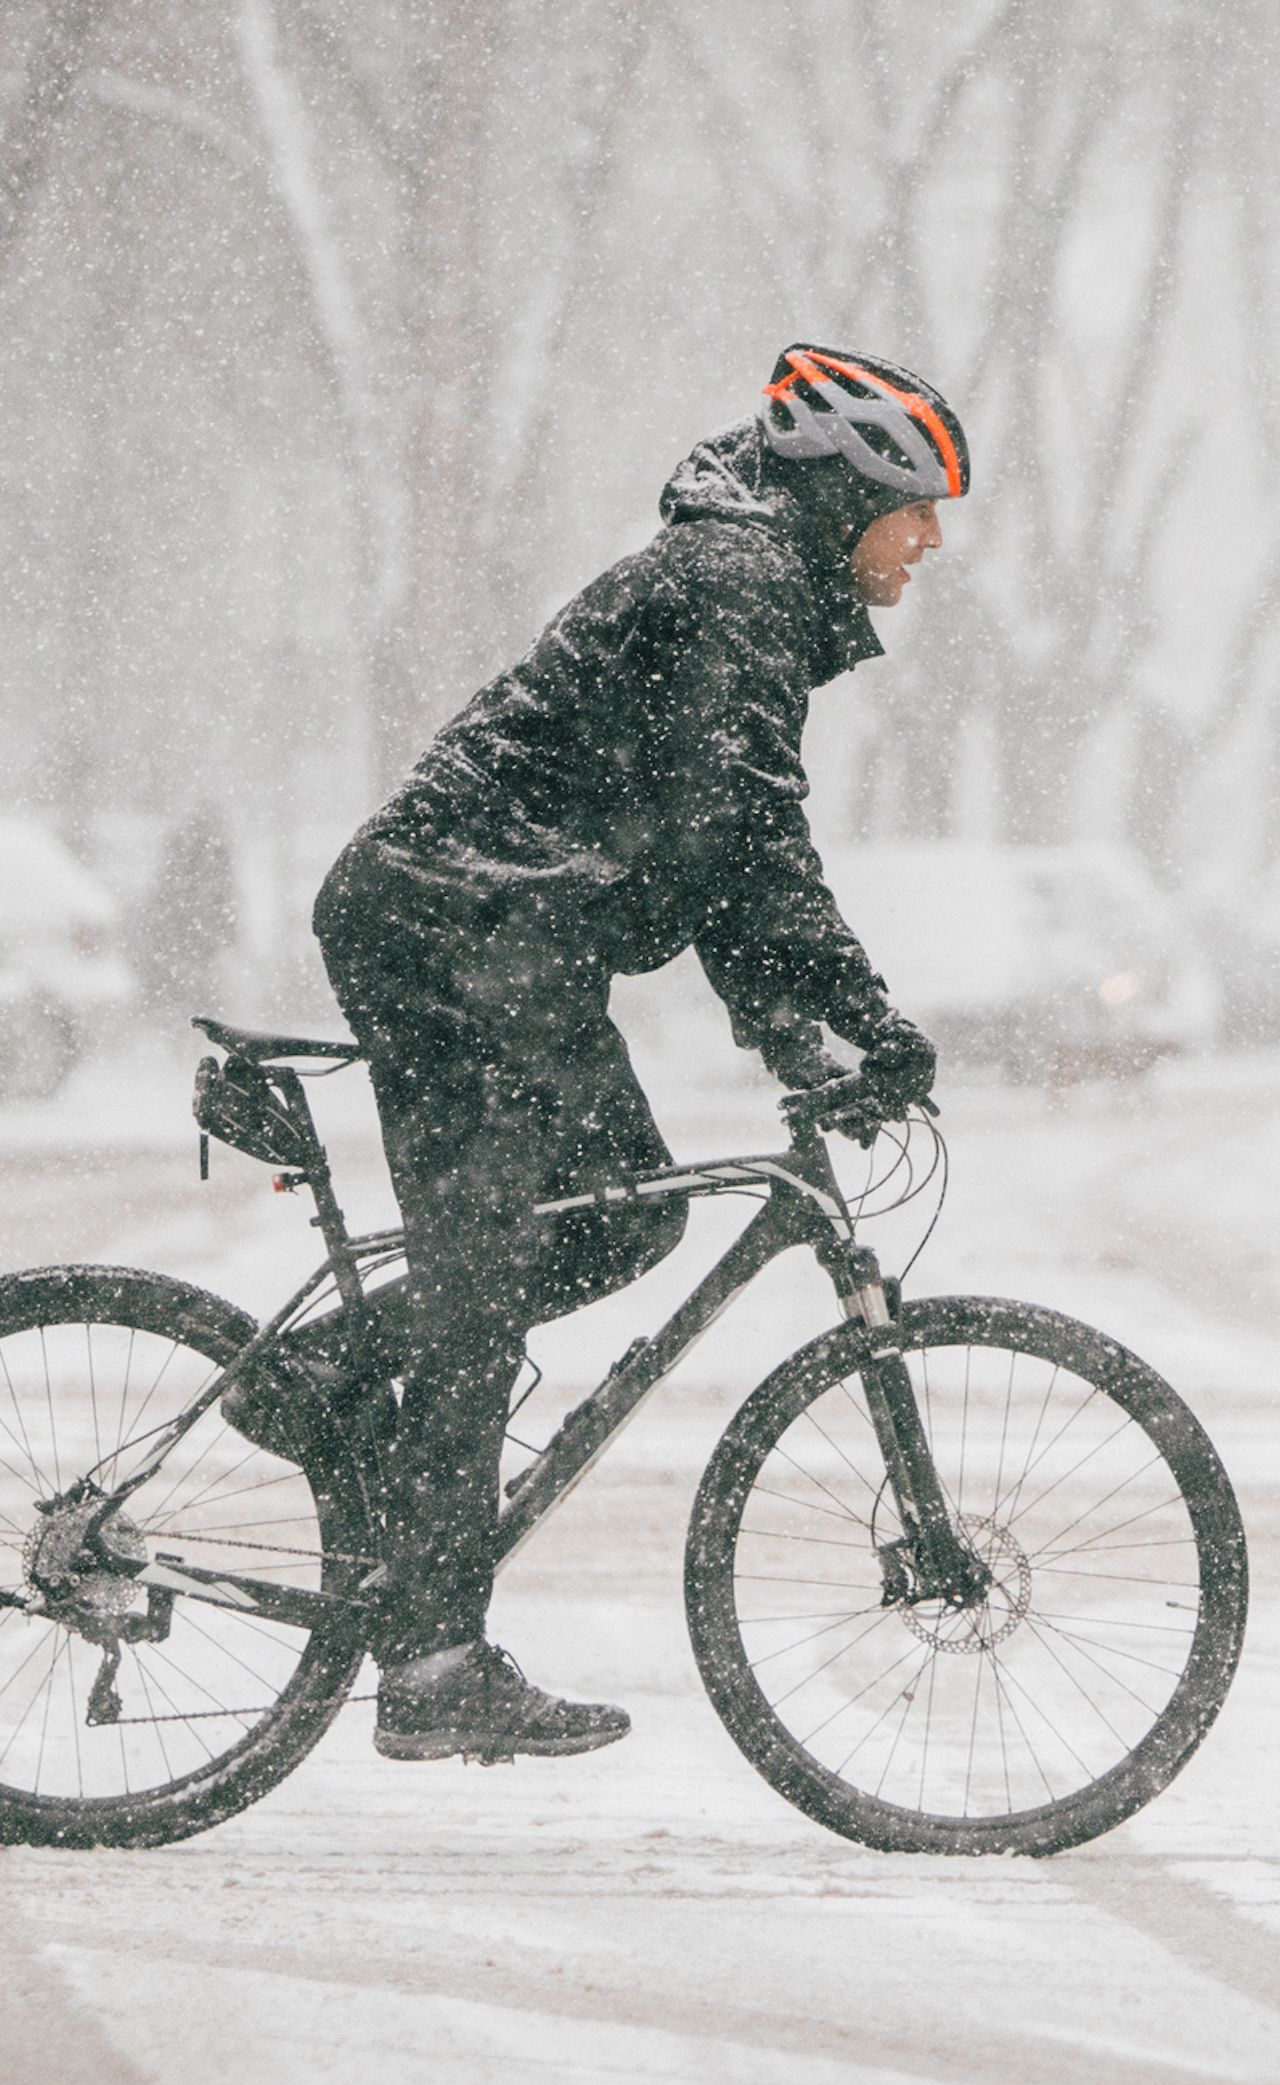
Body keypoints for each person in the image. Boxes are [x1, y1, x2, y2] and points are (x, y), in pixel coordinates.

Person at [305, 343, 969, 1763]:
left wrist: (799, 1020)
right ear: (845, 493)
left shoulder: (748, 591)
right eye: (915, 506)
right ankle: (427, 1665)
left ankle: (323, 1381)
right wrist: (854, 1011)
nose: (928, 540)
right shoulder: (731, 589)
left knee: (623, 1222)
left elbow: (711, 846)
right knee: (493, 1275)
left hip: (499, 925)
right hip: (457, 922)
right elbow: (744, 834)